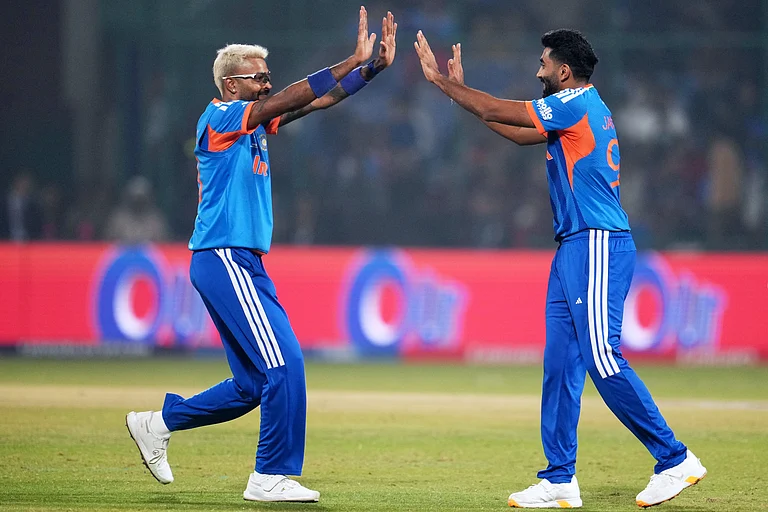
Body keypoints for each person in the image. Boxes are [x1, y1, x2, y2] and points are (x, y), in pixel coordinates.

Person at [413, 29, 706, 509]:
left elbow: (498, 108)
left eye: (544, 64)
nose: (538, 71)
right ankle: (559, 479)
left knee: (602, 358)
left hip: (597, 241)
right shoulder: (580, 108)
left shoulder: (573, 103)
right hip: (573, 245)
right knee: (561, 365)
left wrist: (445, 85)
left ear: (564, 72)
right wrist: (462, 95)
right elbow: (512, 129)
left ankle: (674, 458)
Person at [126, 7, 397, 503]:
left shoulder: (252, 123)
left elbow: (316, 101)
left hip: (240, 261)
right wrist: (348, 60)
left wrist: (371, 69)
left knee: (252, 384)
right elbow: (294, 95)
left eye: (269, 77)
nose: (268, 85)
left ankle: (157, 424)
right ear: (232, 85)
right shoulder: (221, 116)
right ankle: (269, 475)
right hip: (224, 256)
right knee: (285, 364)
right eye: (259, 78)